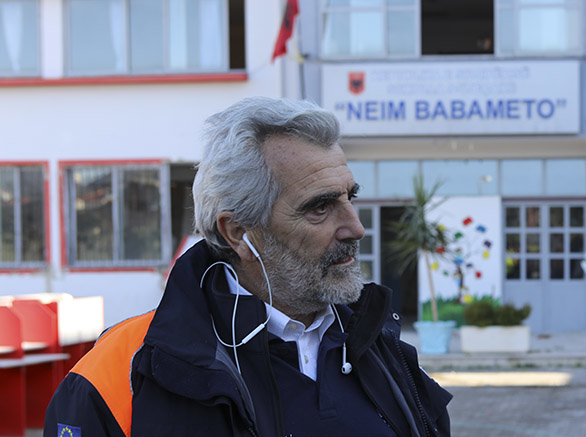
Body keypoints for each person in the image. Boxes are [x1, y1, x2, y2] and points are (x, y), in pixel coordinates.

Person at [44, 97, 452, 437]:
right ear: (239, 232)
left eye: (350, 198)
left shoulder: (383, 349)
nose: (355, 227)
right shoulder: (128, 369)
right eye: (320, 207)